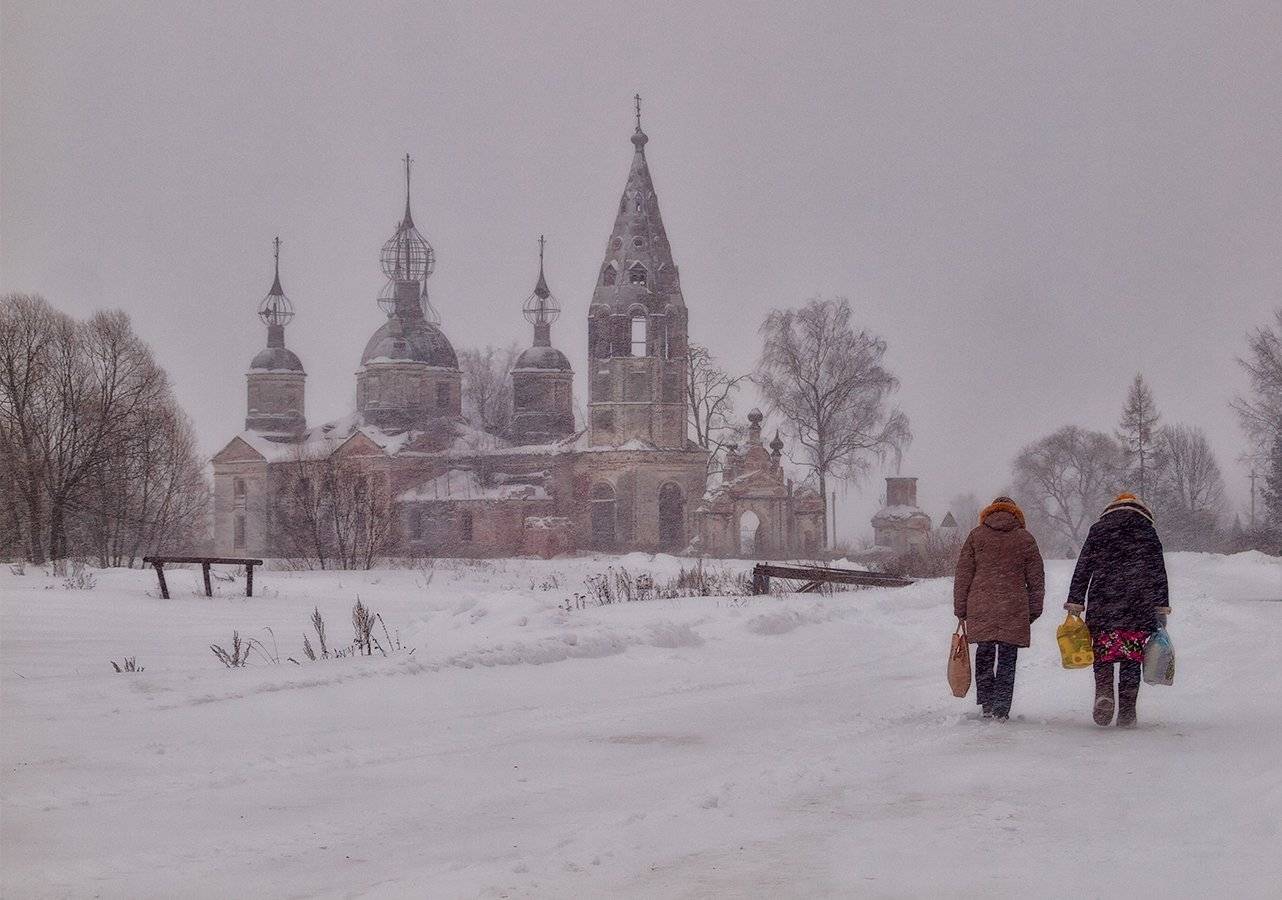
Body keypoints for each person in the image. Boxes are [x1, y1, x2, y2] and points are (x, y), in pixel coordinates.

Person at [1066, 492, 1172, 728]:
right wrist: (1160, 607)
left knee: (1103, 651)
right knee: (1131, 656)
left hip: (1104, 603)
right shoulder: (1147, 532)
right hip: (1138, 604)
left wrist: (1075, 601)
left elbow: (1083, 567)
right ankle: (1127, 708)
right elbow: (1158, 572)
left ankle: (1104, 692)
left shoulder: (1099, 530)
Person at [953, 496, 1046, 720]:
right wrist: (1034, 609)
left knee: (984, 653)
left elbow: (963, 573)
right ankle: (1002, 707)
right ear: (1016, 514)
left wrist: (961, 608)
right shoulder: (1025, 538)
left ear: (989, 513)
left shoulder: (976, 536)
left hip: (981, 603)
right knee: (1007, 655)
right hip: (1014, 604)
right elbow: (1036, 579)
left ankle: (987, 703)